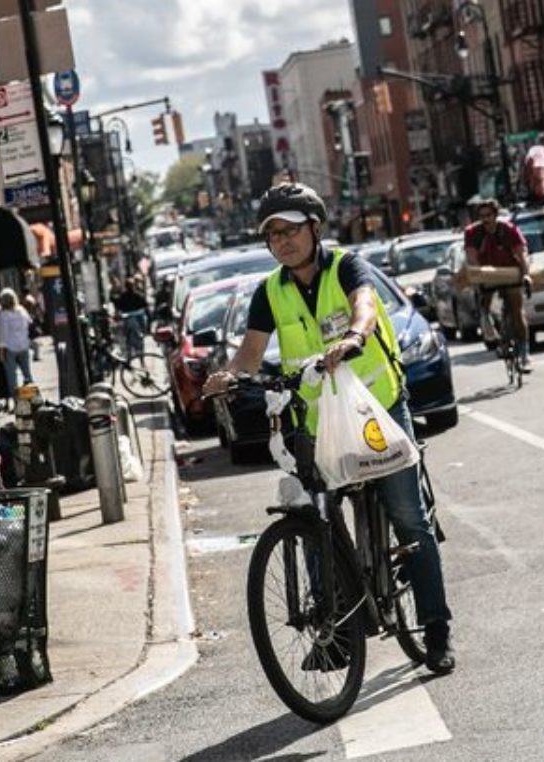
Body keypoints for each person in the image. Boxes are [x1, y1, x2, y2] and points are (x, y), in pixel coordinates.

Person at [202, 181, 455, 674]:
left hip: (378, 411)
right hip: (318, 424)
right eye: (272, 235)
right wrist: (229, 376)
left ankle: (437, 630)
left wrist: (357, 336)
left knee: (409, 519)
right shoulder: (269, 291)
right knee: (315, 520)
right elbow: (251, 352)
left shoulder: (346, 266)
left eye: (291, 230)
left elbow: (363, 304)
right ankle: (337, 632)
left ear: (314, 228)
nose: (283, 241)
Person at [464, 197, 533, 370]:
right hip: (487, 275)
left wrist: (526, 275)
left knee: (517, 312)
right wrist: (477, 276)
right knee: (484, 304)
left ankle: (524, 354)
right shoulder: (473, 233)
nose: (485, 219)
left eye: (488, 215)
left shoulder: (508, 230)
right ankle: (493, 332)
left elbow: (521, 253)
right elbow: (472, 257)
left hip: (510, 272)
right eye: (481, 216)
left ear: (495, 215)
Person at [0, 287, 34, 400]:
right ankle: (32, 399)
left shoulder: (3, 315)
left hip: (10, 348)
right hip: (24, 345)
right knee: (27, 374)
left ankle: (19, 402)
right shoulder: (21, 310)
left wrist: (1, 352)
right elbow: (29, 323)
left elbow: (3, 334)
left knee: (12, 377)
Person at [114, 274, 149, 360]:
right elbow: (145, 306)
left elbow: (118, 307)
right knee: (137, 338)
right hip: (133, 319)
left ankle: (132, 355)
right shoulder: (137, 295)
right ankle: (140, 358)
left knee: (128, 338)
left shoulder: (125, 296)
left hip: (131, 319)